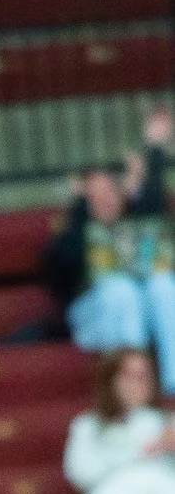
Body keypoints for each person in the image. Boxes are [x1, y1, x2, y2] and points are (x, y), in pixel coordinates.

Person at [43, 111, 175, 379]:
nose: (105, 200)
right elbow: (60, 271)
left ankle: (172, 379)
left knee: (162, 285)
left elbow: (152, 204)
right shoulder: (76, 233)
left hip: (140, 310)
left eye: (110, 192)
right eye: (95, 196)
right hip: (95, 318)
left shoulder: (134, 219)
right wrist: (81, 206)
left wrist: (154, 149)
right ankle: (133, 381)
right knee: (120, 289)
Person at [64, 347, 175, 494]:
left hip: (162, 491)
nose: (138, 383)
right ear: (111, 380)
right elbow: (79, 473)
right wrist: (141, 452)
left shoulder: (164, 422)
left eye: (144, 376)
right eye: (130, 376)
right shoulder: (89, 426)